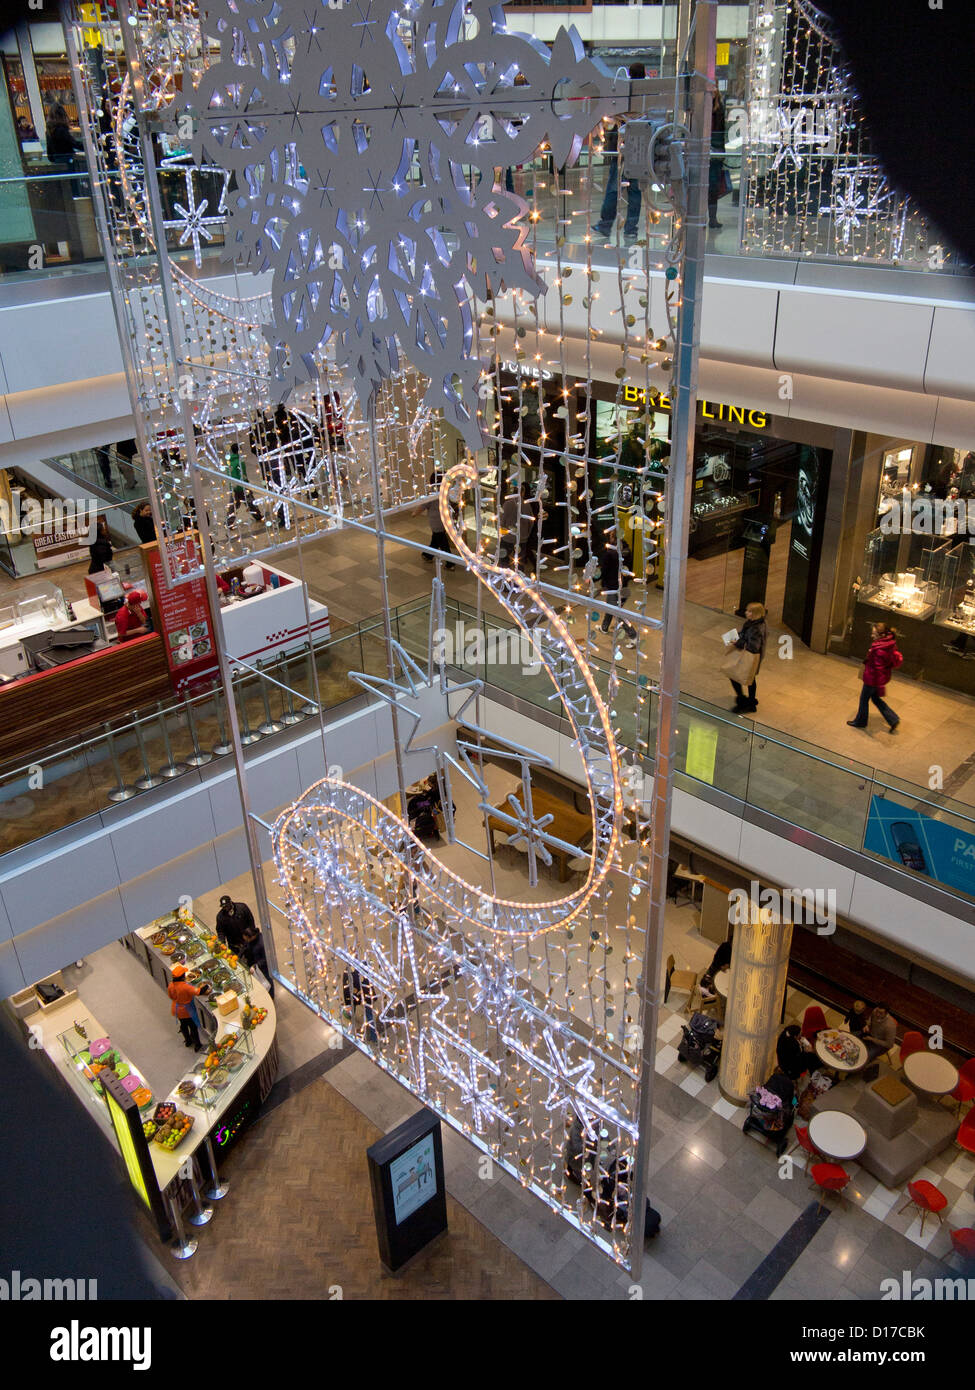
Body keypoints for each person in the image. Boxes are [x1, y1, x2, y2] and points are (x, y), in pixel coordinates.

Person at [591, 65, 646, 245]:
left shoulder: (626, 96)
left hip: (623, 151)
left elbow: (613, 118)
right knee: (634, 192)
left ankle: (606, 225)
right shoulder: (645, 97)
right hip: (639, 151)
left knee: (614, 190)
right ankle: (630, 229)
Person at [847, 621, 902, 733]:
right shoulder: (889, 643)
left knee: (864, 700)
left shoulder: (879, 649)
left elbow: (878, 669)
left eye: (874, 634)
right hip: (879, 679)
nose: (871, 636)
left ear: (881, 635)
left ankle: (861, 721)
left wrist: (879, 686)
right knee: (876, 699)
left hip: (872, 679)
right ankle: (893, 719)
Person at [726, 601, 767, 712]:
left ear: (755, 613)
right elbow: (744, 634)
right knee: (750, 679)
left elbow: (753, 646)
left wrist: (737, 642)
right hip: (752, 658)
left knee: (737, 676)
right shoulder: (752, 623)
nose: (746, 613)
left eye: (749, 611)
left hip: (750, 657)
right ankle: (750, 701)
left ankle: (743, 700)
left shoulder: (756, 628)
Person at [598, 528, 637, 643]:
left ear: (612, 537)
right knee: (611, 607)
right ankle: (604, 627)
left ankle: (633, 635)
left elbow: (603, 571)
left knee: (616, 611)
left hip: (612, 585)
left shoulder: (610, 553)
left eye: (610, 536)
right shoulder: (627, 550)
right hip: (623, 585)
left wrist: (597, 579)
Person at [168, 963, 206, 1051]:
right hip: (187, 1010)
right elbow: (199, 992)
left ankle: (188, 1041)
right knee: (193, 1027)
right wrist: (207, 986)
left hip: (176, 1009)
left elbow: (170, 996)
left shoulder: (171, 985)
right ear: (182, 977)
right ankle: (197, 1045)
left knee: (183, 1025)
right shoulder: (185, 987)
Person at [708, 90, 727, 230]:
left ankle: (712, 218)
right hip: (706, 148)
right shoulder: (704, 106)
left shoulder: (719, 107)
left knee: (713, 186)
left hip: (716, 150)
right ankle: (708, 218)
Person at [240, 923, 274, 999]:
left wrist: (255, 966)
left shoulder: (261, 944)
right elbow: (245, 946)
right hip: (254, 963)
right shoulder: (250, 940)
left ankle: (271, 997)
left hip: (263, 967)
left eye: (246, 939)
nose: (246, 940)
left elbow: (265, 959)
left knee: (268, 982)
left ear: (251, 937)